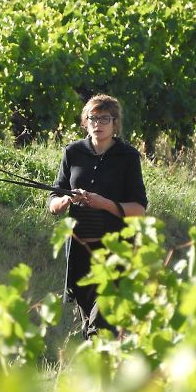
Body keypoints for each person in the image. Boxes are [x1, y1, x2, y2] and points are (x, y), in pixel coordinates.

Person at [48, 94, 147, 339]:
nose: (97, 123)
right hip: (81, 250)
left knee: (101, 324)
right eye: (92, 118)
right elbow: (53, 200)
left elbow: (139, 209)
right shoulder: (72, 152)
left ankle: (104, 366)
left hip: (115, 250)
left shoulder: (128, 157)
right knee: (90, 326)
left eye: (104, 118)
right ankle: (106, 368)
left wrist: (104, 204)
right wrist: (67, 199)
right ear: (85, 122)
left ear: (115, 123)